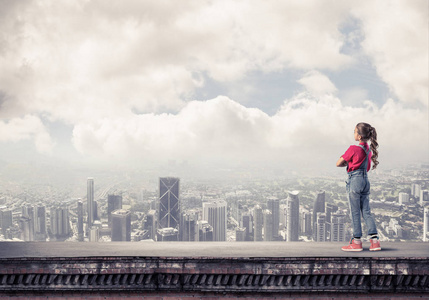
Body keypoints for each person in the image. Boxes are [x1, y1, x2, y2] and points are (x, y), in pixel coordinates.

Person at [336, 122, 381, 251]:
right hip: (365, 180)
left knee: (355, 211)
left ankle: (356, 242)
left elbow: (338, 163)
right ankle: (375, 242)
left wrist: (347, 160)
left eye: (355, 131)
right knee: (366, 211)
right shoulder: (368, 151)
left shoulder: (353, 149)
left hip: (355, 180)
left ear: (360, 136)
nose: (354, 134)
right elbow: (366, 167)